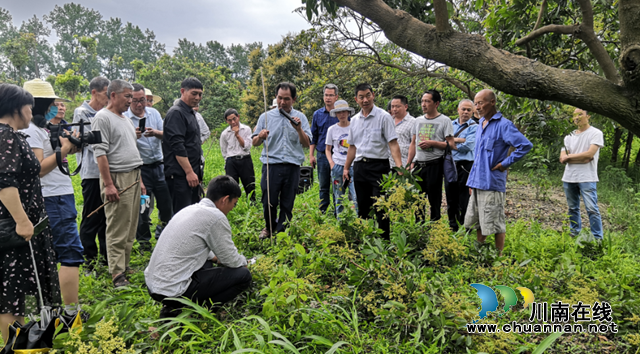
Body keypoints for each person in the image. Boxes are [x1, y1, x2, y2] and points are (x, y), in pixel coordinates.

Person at [0, 84, 61, 343]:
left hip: (20, 226)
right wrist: (23, 222)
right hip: (14, 229)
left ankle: (21, 344)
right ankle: (16, 347)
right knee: (10, 296)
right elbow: (5, 183)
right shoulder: (7, 136)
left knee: (15, 294)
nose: (31, 111)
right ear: (16, 108)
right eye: (28, 107)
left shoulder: (10, 135)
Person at [145, 176, 251, 318]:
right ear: (225, 199)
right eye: (234, 203)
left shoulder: (190, 209)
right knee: (243, 276)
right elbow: (230, 260)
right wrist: (245, 262)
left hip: (155, 285)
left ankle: (173, 308)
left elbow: (194, 244)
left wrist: (214, 258)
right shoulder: (215, 217)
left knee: (208, 261)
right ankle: (201, 310)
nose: (233, 208)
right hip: (173, 290)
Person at [21, 79, 84, 317]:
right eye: (52, 103)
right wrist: (65, 149)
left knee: (45, 255)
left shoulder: (42, 128)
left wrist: (70, 145)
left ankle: (48, 311)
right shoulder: (32, 131)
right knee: (69, 252)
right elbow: (38, 168)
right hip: (53, 197)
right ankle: (70, 314)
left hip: (54, 195)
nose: (56, 107)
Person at [91, 79, 146, 288]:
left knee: (131, 225)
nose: (130, 101)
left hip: (133, 175)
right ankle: (116, 273)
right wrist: (109, 184)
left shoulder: (126, 120)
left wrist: (139, 181)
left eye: (131, 96)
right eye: (127, 96)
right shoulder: (102, 118)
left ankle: (124, 265)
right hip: (117, 177)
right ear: (113, 95)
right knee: (117, 226)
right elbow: (100, 153)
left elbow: (131, 151)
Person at [465, 89, 532, 256]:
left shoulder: (504, 125)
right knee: (479, 220)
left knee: (495, 221)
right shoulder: (480, 124)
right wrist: (471, 181)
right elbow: (478, 156)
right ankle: (479, 252)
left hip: (492, 181)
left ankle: (498, 256)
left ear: (492, 102)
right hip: (478, 181)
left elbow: (525, 145)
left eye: (480, 103)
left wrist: (505, 163)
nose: (477, 107)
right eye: (475, 103)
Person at [343, 83, 402, 240]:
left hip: (379, 167)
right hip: (360, 166)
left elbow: (393, 143)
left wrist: (399, 166)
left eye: (368, 95)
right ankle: (365, 240)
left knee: (381, 206)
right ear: (356, 99)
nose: (365, 100)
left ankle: (385, 241)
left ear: (373, 95)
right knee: (362, 205)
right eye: (361, 97)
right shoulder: (354, 120)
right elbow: (352, 147)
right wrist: (346, 168)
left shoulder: (384, 117)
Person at [252, 82, 312, 239]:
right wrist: (260, 136)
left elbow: (307, 144)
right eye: (279, 98)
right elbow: (254, 143)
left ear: (294, 99)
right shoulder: (265, 117)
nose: (282, 102)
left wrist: (298, 129)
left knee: (288, 201)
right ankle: (269, 227)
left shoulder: (301, 118)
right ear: (275, 97)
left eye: (286, 99)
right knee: (268, 200)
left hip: (292, 166)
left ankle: (282, 231)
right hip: (271, 165)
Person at [124, 84, 172, 252]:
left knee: (166, 205)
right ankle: (144, 243)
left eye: (142, 100)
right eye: (135, 101)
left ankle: (164, 236)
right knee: (143, 208)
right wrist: (133, 136)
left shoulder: (155, 114)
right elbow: (123, 148)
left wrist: (156, 133)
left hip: (160, 166)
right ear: (129, 100)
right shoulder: (124, 118)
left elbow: (167, 135)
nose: (139, 104)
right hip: (140, 169)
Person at [74, 76, 110, 268]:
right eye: (106, 94)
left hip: (107, 172)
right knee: (91, 216)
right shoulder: (81, 112)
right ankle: (89, 259)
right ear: (94, 92)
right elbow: (80, 141)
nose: (108, 98)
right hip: (91, 172)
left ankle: (104, 259)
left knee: (106, 217)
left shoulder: (107, 113)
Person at [407, 90, 456, 223]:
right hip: (418, 165)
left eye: (427, 101)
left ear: (436, 103)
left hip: (435, 164)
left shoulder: (444, 121)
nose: (424, 104)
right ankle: (419, 229)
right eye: (422, 101)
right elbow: (413, 143)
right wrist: (408, 163)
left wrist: (432, 143)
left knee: (434, 200)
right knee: (418, 200)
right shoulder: (417, 120)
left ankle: (435, 227)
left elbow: (451, 144)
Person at [560, 108, 604, 239]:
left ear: (588, 116)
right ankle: (574, 234)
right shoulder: (569, 136)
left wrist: (570, 157)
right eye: (574, 115)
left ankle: (597, 238)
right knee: (572, 208)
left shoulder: (596, 133)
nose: (577, 117)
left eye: (580, 114)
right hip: (569, 177)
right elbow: (562, 158)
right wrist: (580, 158)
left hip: (587, 177)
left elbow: (590, 155)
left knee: (592, 209)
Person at [163, 78, 203, 214]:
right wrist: (189, 172)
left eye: (200, 94)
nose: (197, 98)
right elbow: (177, 146)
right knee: (182, 215)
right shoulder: (176, 113)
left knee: (192, 214)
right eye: (194, 93)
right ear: (182, 91)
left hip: (192, 175)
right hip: (180, 176)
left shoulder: (190, 113)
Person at [444, 99, 477, 231]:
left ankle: (465, 226)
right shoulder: (450, 124)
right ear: (458, 110)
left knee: (465, 198)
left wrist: (452, 141)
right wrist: (460, 140)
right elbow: (443, 140)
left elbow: (468, 146)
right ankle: (452, 226)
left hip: (466, 165)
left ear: (473, 111)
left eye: (469, 110)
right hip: (451, 164)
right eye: (463, 109)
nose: (466, 112)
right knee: (450, 197)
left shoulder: (475, 127)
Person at [309, 84, 339, 213]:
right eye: (326, 95)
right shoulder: (317, 114)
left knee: (337, 185)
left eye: (331, 95)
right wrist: (311, 155)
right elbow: (313, 136)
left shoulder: (341, 113)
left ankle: (339, 211)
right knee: (323, 186)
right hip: (321, 155)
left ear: (336, 97)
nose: (328, 98)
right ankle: (323, 211)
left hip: (338, 155)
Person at [325, 100, 358, 216]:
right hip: (338, 166)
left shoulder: (355, 127)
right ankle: (341, 222)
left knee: (356, 197)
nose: (342, 114)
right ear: (336, 114)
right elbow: (328, 149)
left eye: (344, 112)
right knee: (339, 196)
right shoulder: (332, 130)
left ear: (348, 113)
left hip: (354, 166)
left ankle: (358, 222)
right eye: (339, 112)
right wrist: (331, 163)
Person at [220, 108, 255, 202]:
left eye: (234, 119)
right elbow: (224, 150)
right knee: (231, 185)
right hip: (231, 160)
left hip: (245, 159)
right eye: (230, 120)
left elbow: (247, 147)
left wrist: (237, 135)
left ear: (238, 117)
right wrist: (228, 161)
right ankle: (233, 204)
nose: (233, 122)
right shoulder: (224, 133)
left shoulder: (246, 129)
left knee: (249, 184)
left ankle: (252, 204)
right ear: (226, 121)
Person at [389, 95, 415, 168]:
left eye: (397, 106)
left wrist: (410, 163)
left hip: (404, 164)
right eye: (392, 106)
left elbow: (414, 144)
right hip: (388, 164)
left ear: (406, 107)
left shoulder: (413, 122)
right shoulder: (388, 121)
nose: (394, 109)